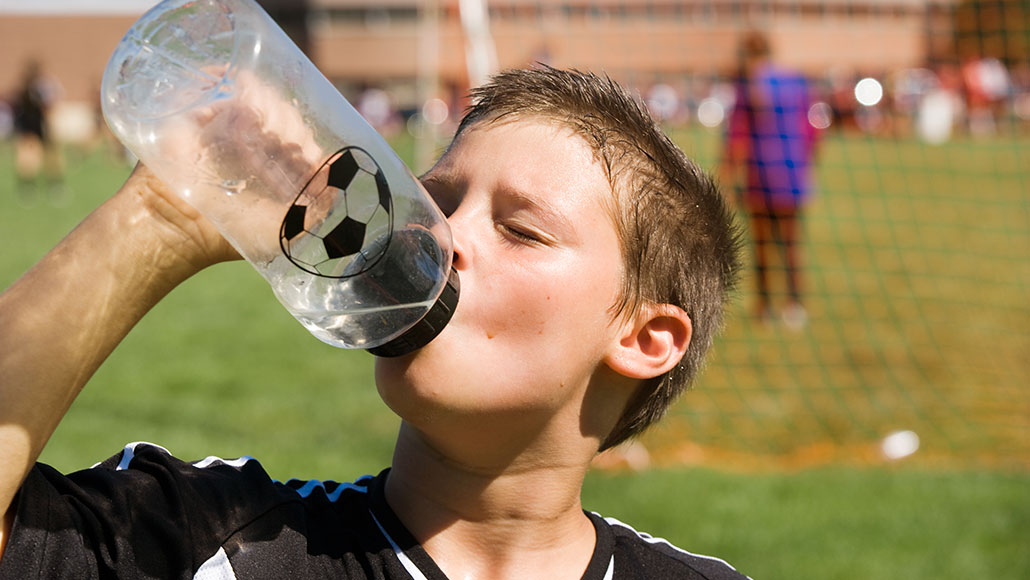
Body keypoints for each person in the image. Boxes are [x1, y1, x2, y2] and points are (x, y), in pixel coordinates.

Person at [0, 66, 747, 579]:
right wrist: (156, 222)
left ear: (646, 340)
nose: (443, 238)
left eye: (521, 229)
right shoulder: (212, 540)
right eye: (438, 201)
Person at [722, 31, 819, 329]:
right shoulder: (795, 82)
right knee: (790, 245)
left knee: (762, 245)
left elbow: (737, 137)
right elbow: (814, 128)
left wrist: (726, 177)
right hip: (792, 173)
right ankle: (794, 306)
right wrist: (805, 162)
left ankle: (764, 307)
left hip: (760, 175)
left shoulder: (747, 85)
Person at [11, 59, 65, 203]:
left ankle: (31, 186)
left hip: (30, 125)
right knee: (38, 156)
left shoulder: (27, 88)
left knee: (37, 156)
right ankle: (51, 185)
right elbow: (48, 106)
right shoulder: (37, 88)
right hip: (36, 125)